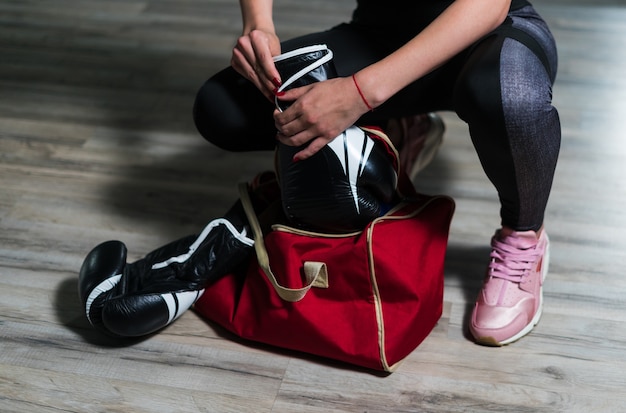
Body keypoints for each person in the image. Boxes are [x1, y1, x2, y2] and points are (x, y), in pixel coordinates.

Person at [192, 0, 561, 346]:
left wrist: (358, 94)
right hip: (379, 34)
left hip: (489, 33)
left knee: (511, 97)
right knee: (224, 107)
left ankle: (524, 234)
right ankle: (404, 131)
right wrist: (258, 24)